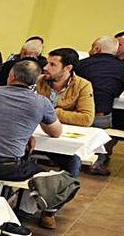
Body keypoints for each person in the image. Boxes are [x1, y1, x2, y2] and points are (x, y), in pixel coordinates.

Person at [0, 62, 63, 236]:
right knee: (48, 176)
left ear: (11, 76)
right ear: (36, 81)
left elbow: (2, 118)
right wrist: (31, 127)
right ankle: (16, 217)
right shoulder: (41, 102)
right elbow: (56, 132)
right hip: (9, 168)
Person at [34, 47, 94, 178]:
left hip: (62, 137)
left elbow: (86, 118)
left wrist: (51, 113)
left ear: (68, 68)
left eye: (53, 64)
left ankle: (64, 192)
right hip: (35, 134)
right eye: (47, 62)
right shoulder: (38, 81)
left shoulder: (83, 85)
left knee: (73, 161)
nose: (46, 67)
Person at [78, 35, 124, 176]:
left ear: (96, 49)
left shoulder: (82, 65)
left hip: (80, 115)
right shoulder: (122, 68)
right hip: (102, 115)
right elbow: (118, 91)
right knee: (106, 132)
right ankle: (99, 161)